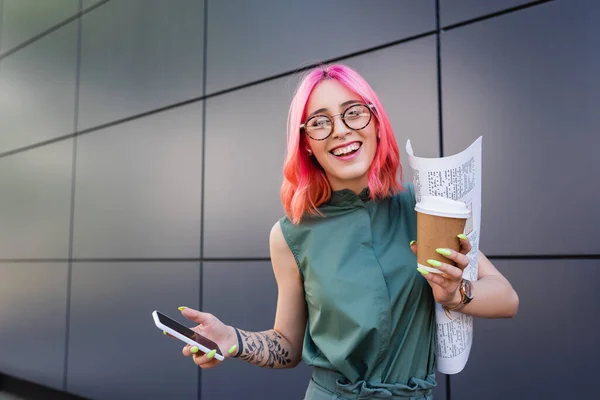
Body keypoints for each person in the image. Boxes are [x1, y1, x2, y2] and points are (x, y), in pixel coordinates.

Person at [175, 64, 519, 400]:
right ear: (306, 142)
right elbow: (288, 345)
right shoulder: (289, 235)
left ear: (377, 123)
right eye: (320, 122)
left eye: (353, 113)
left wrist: (454, 294)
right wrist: (231, 339)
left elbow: (506, 298)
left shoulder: (423, 205)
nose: (340, 130)